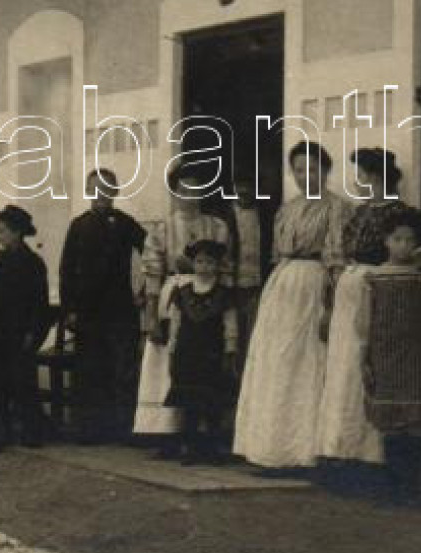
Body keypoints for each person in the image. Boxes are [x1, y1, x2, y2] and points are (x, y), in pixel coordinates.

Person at [232, 140, 349, 470]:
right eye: (298, 170)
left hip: (315, 284)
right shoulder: (288, 208)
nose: (305, 176)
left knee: (307, 362)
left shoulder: (337, 208)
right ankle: (270, 448)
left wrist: (332, 303)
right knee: (277, 362)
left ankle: (304, 451)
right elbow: (276, 252)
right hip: (282, 287)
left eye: (312, 169)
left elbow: (337, 259)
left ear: (325, 171)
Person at [316, 148, 415, 469]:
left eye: (361, 176)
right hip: (349, 290)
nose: (358, 183)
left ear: (375, 178)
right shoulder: (358, 213)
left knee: (368, 365)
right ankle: (342, 450)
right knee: (344, 368)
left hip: (377, 289)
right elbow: (340, 252)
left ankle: (370, 455)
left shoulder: (398, 214)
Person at [360, 207, 421, 506]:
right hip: (384, 354)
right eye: (397, 239)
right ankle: (392, 490)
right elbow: (364, 321)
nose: (404, 245)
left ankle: (411, 490)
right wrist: (365, 356)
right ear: (386, 241)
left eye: (409, 240)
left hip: (417, 355)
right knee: (390, 424)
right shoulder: (373, 278)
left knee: (414, 422)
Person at [135, 165, 232, 439]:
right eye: (183, 190)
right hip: (174, 297)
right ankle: (166, 430)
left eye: (196, 189)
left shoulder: (216, 226)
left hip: (210, 298)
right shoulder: (162, 229)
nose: (190, 196)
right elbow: (152, 273)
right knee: (169, 360)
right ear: (175, 192)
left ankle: (203, 432)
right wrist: (152, 317)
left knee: (202, 365)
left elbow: (225, 268)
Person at [59, 168, 148, 443]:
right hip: (88, 311)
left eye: (107, 188)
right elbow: (66, 269)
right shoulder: (78, 225)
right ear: (88, 192)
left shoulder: (125, 223)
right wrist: (70, 309)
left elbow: (152, 251)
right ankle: (89, 430)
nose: (101, 194)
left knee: (121, 369)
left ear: (115, 192)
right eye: (95, 188)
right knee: (89, 369)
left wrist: (145, 291)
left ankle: (122, 429)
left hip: (120, 309)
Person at [0, 204, 51, 449]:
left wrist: (33, 333)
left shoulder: (34, 265)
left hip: (20, 335)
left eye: (3, 230)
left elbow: (40, 304)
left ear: (17, 232)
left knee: (23, 383)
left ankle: (31, 431)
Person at [162, 238, 239, 464]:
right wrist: (172, 349)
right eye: (199, 261)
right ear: (193, 264)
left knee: (212, 403)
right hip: (187, 352)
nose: (204, 266)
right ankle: (191, 447)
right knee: (190, 404)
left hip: (212, 353)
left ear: (217, 265)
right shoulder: (182, 292)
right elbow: (175, 323)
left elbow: (230, 324)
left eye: (209, 262)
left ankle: (212, 448)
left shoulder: (224, 294)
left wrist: (230, 349)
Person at [228, 172, 267, 373]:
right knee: (233, 333)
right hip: (232, 284)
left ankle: (250, 379)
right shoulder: (225, 216)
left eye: (249, 186)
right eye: (240, 186)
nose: (244, 191)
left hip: (257, 284)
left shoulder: (265, 215)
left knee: (254, 334)